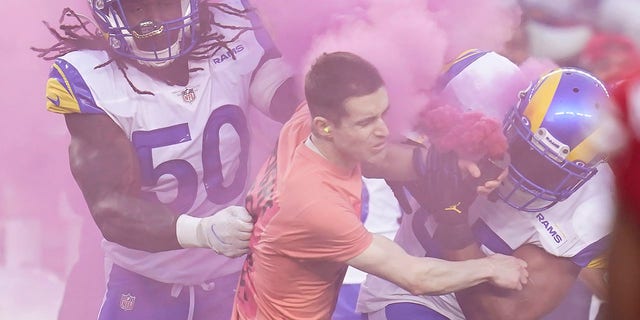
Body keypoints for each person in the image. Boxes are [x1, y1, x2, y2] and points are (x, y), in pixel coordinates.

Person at [35, 0, 299, 319]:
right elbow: (110, 207)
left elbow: (294, 103)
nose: (156, 23)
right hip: (144, 280)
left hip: (235, 274)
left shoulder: (231, 29)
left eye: (166, 3)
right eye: (138, 9)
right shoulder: (89, 77)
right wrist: (203, 232)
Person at [231, 51, 529, 320]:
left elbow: (382, 155)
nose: (384, 131)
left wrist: (443, 162)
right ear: (325, 126)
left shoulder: (306, 122)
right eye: (366, 122)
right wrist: (491, 268)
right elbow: (416, 277)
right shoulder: (314, 203)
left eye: (383, 114)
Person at [357, 51, 619, 320]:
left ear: (590, 170)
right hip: (409, 294)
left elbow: (500, 314)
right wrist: (428, 163)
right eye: (525, 150)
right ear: (513, 112)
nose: (529, 175)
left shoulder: (596, 206)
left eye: (551, 171)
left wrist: (453, 222)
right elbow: (358, 148)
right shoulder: (479, 80)